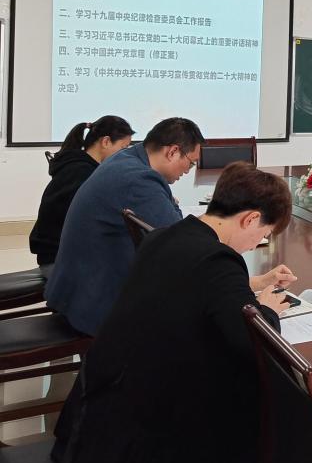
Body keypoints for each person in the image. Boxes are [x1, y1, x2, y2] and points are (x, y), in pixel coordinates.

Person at [53, 162, 297, 463]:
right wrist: (267, 310)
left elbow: (194, 285)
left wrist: (255, 283)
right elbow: (252, 343)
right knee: (264, 406)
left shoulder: (167, 235)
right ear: (250, 219)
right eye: (265, 233)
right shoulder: (219, 260)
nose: (256, 244)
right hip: (141, 436)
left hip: (97, 409)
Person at [45, 117, 205, 335]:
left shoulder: (127, 159)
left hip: (76, 287)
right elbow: (180, 238)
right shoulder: (138, 179)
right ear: (173, 152)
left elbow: (171, 217)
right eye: (191, 162)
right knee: (195, 312)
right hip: (94, 303)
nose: (188, 171)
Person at [30, 117, 135, 273]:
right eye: (123, 148)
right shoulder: (83, 173)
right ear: (106, 141)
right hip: (61, 260)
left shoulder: (78, 166)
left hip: (58, 254)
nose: (124, 155)